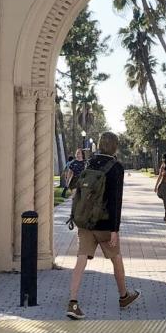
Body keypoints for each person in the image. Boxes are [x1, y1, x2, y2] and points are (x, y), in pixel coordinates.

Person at [66, 132, 139, 320]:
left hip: (86, 221)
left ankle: (72, 302)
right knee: (116, 259)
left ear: (99, 144)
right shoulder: (116, 167)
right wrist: (115, 229)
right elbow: (116, 200)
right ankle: (124, 296)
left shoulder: (89, 162)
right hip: (106, 224)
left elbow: (79, 191)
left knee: (81, 260)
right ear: (115, 146)